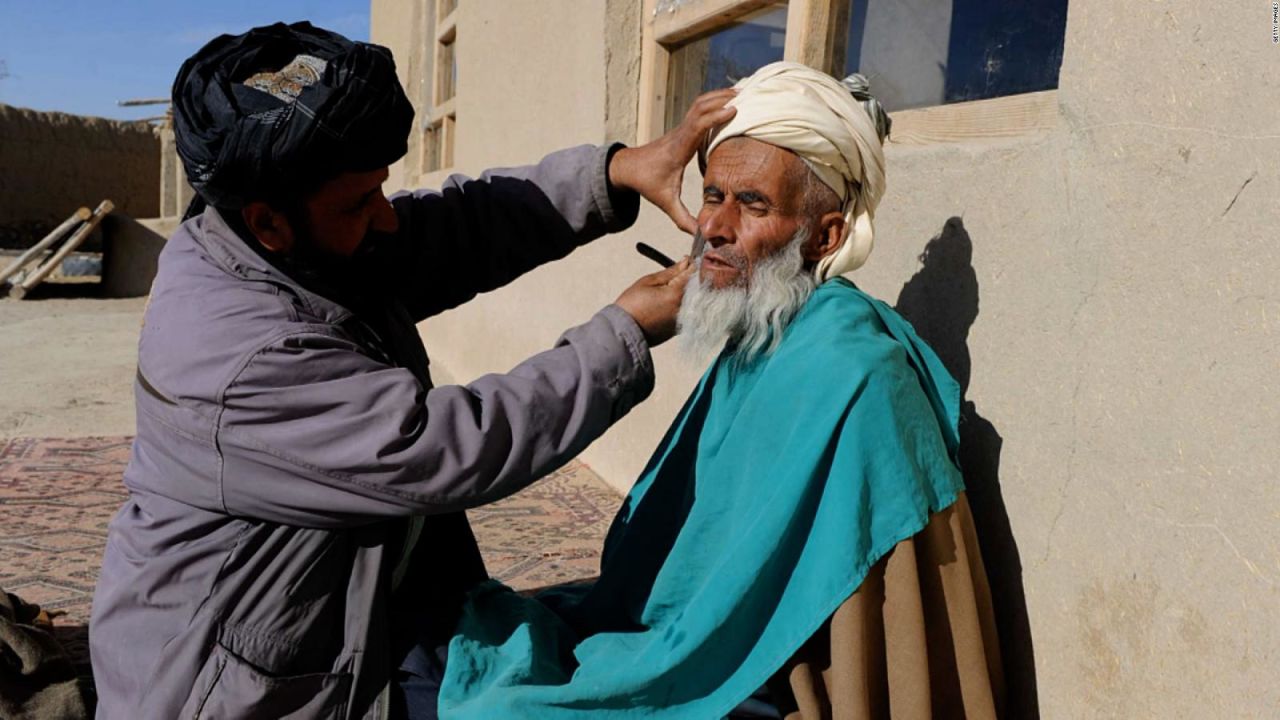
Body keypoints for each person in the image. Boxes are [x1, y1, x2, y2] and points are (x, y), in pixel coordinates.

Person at [88, 22, 737, 719]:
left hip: (354, 604)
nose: (387, 219)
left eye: (381, 191)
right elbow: (441, 448)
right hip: (246, 686)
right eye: (359, 203)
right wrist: (626, 333)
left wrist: (612, 173)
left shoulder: (285, 245)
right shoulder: (244, 355)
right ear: (268, 221)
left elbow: (454, 231)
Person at [437, 62, 1005, 719]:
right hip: (678, 639)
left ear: (825, 236)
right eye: (712, 195)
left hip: (762, 674)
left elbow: (869, 629)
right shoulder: (764, 327)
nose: (716, 226)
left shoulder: (859, 379)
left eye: (754, 204)